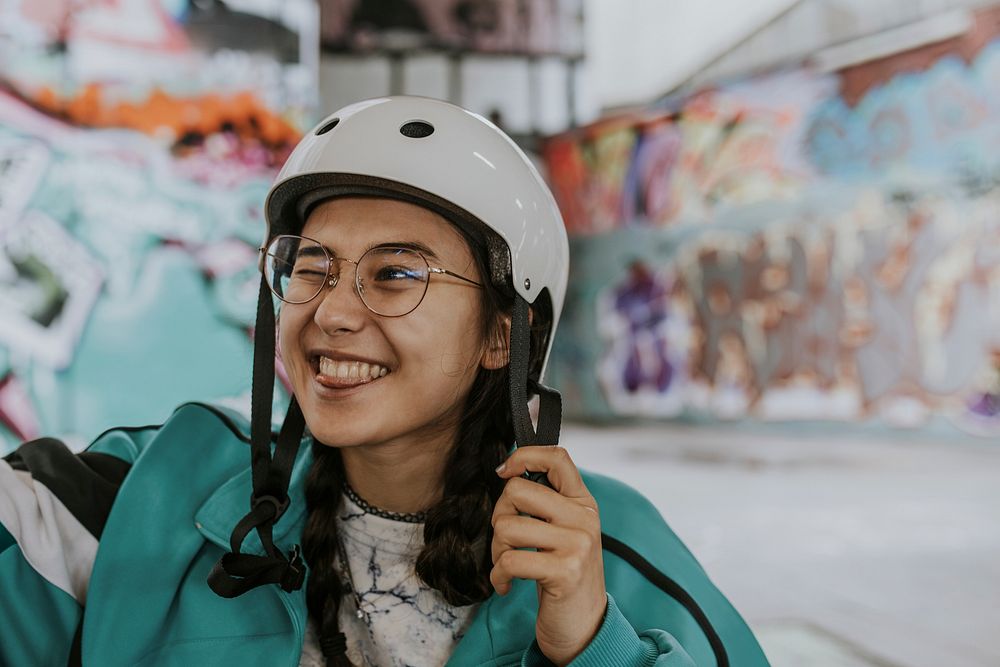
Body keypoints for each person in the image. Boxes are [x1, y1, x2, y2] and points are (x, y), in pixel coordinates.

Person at [0, 97, 770, 667]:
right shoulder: (144, 494)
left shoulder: (608, 556)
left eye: (396, 273)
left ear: (504, 334)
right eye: (312, 266)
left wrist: (593, 646)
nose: (333, 311)